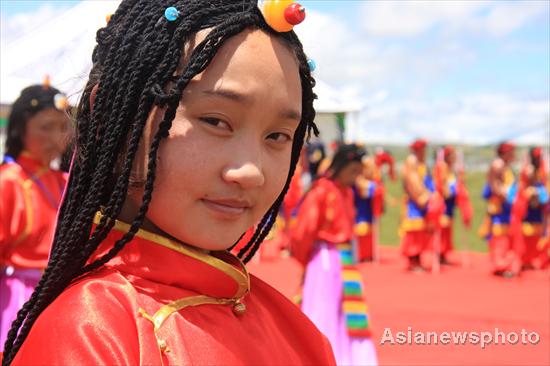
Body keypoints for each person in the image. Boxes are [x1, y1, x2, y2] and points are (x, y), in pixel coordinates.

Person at [1, 1, 336, 365]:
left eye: (277, 135)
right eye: (216, 120)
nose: (252, 171)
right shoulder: (93, 329)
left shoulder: (299, 332)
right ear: (114, 115)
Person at [291, 144, 378, 366]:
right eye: (353, 172)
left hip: (344, 258)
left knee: (346, 312)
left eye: (358, 172)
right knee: (323, 308)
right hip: (324, 258)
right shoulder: (321, 190)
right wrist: (307, 261)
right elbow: (303, 231)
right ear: (340, 167)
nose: (355, 177)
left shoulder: (347, 192)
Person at [0, 83, 70, 349]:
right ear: (20, 128)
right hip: (18, 298)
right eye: (46, 127)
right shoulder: (9, 181)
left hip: (58, 294)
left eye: (63, 127)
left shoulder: (65, 182)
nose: (56, 138)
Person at [399, 139, 442, 271]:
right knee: (414, 232)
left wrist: (432, 194)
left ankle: (418, 257)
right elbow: (413, 182)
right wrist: (423, 196)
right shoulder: (412, 161)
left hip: (424, 199)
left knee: (422, 231)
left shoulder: (422, 163)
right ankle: (413, 259)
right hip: (415, 202)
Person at [479, 142, 520, 277]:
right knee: (500, 236)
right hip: (499, 207)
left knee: (506, 236)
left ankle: (504, 264)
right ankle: (500, 264)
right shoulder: (498, 164)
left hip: (506, 207)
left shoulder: (505, 166)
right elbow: (495, 185)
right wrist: (507, 195)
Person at [432, 146, 473, 264]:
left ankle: (444, 253)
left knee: (448, 230)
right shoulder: (441, 168)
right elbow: (442, 188)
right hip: (442, 205)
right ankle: (438, 253)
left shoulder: (452, 171)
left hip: (450, 204)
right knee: (442, 229)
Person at [513, 147, 549, 269]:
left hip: (540, 208)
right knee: (526, 234)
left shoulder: (542, 171)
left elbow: (544, 185)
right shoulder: (527, 171)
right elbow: (521, 188)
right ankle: (524, 259)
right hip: (527, 207)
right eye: (536, 157)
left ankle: (533, 259)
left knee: (538, 234)